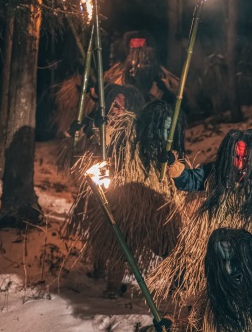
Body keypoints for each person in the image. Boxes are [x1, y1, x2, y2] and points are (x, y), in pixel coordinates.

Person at [149, 129, 252, 315]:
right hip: (218, 245)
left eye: (247, 158)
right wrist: (174, 165)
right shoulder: (216, 173)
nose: (241, 165)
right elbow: (189, 181)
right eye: (236, 157)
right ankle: (201, 314)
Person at [65, 99, 188, 298]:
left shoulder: (168, 151)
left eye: (170, 130)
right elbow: (105, 141)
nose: (167, 136)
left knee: (170, 243)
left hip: (156, 205)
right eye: (163, 129)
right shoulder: (130, 132)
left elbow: (180, 175)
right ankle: (112, 285)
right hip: (126, 204)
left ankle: (179, 282)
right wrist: (99, 133)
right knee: (119, 243)